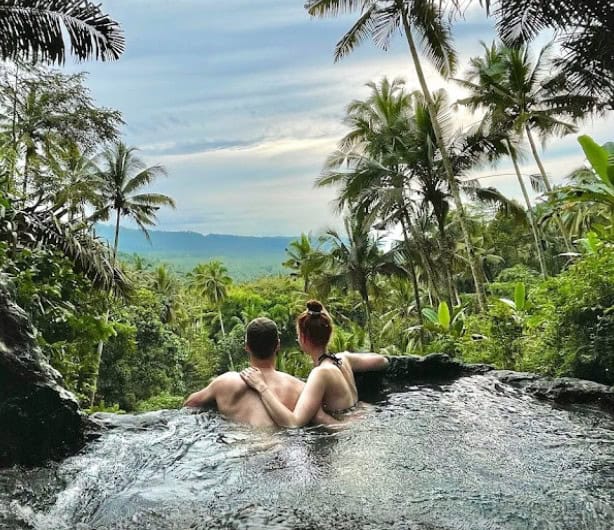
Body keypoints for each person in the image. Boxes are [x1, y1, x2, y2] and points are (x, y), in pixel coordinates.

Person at [240, 300, 389, 428]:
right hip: (362, 422)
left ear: (304, 338)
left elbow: (293, 423)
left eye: (298, 336)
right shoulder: (344, 359)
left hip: (347, 440)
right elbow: (382, 361)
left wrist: (261, 387)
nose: (298, 340)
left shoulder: (320, 374)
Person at [183, 316, 336, 427]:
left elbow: (190, 404)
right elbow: (326, 422)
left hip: (242, 457)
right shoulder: (299, 388)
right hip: (285, 458)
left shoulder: (225, 382)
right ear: (278, 346)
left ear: (246, 346)